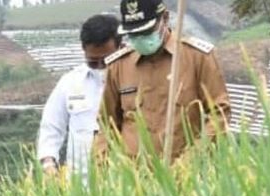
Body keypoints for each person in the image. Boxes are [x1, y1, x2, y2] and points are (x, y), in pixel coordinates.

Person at [94, 0, 230, 162]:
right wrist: (101, 170)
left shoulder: (197, 58)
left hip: (186, 174)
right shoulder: (119, 66)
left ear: (164, 19)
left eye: (145, 32)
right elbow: (107, 125)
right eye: (133, 34)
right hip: (135, 176)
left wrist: (190, 162)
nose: (139, 38)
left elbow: (219, 114)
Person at [37, 14, 122, 180]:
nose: (99, 67)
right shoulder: (70, 82)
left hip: (124, 181)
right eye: (93, 61)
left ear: (120, 47)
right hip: (79, 184)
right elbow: (51, 126)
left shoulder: (133, 80)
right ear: (83, 49)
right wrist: (48, 163)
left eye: (106, 60)